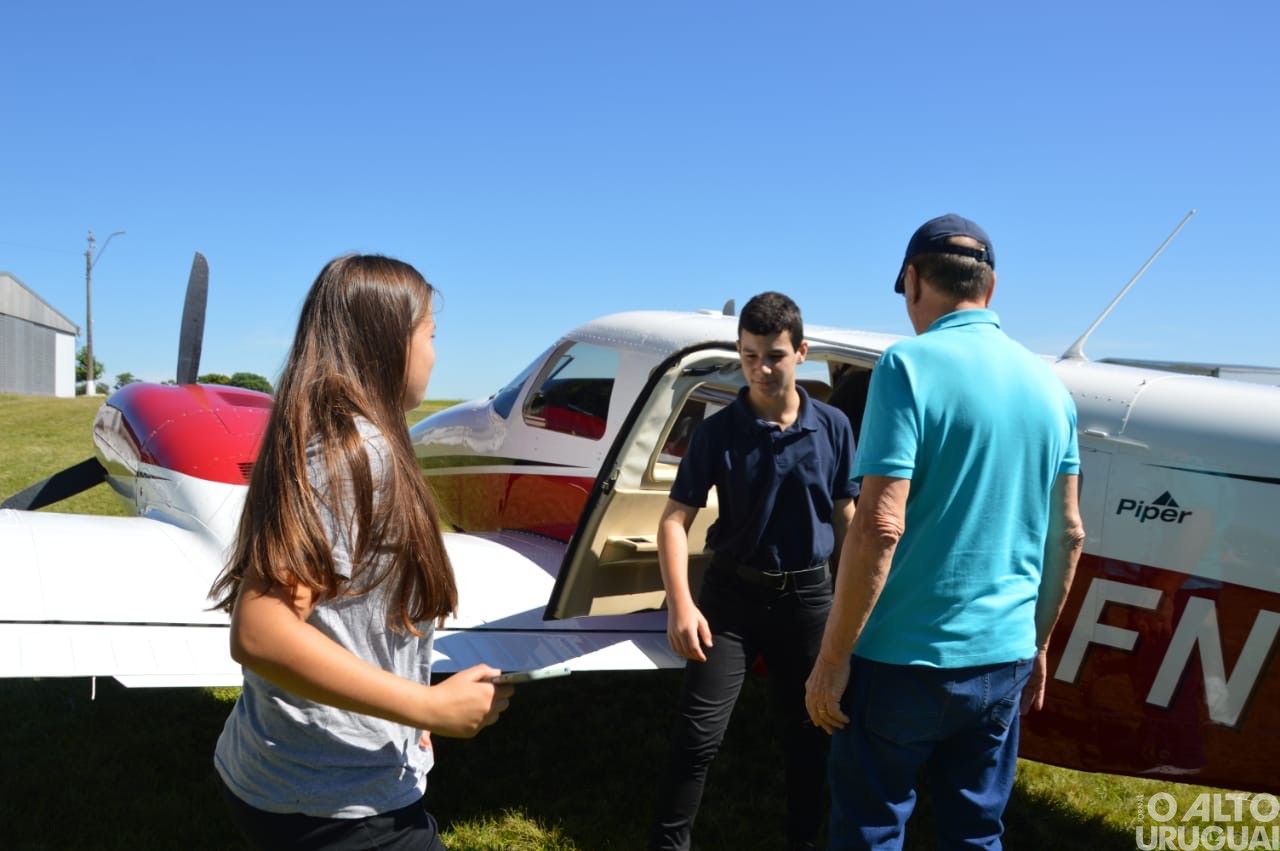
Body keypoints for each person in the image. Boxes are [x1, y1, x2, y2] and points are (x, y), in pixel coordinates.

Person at [208, 255, 513, 850]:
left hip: (283, 775)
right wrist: (426, 705)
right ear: (388, 342)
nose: (435, 353)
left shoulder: (329, 437)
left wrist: (409, 710)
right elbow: (262, 632)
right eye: (431, 334)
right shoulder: (355, 455)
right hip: (337, 804)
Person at [805, 214, 1086, 849]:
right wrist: (1037, 644)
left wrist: (831, 659)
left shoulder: (906, 365)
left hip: (899, 659)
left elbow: (879, 523)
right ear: (990, 287)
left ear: (912, 280)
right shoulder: (1052, 387)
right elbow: (1068, 534)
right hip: (1004, 657)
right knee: (975, 830)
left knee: (872, 827)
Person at [650, 291, 858, 851]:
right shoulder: (717, 431)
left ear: (802, 353)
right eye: (748, 357)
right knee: (698, 738)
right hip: (730, 602)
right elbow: (674, 520)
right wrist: (681, 603)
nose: (761, 369)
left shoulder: (834, 426)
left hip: (809, 600)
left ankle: (803, 841)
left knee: (811, 732)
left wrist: (854, 599)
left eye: (774, 355)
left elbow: (847, 515)